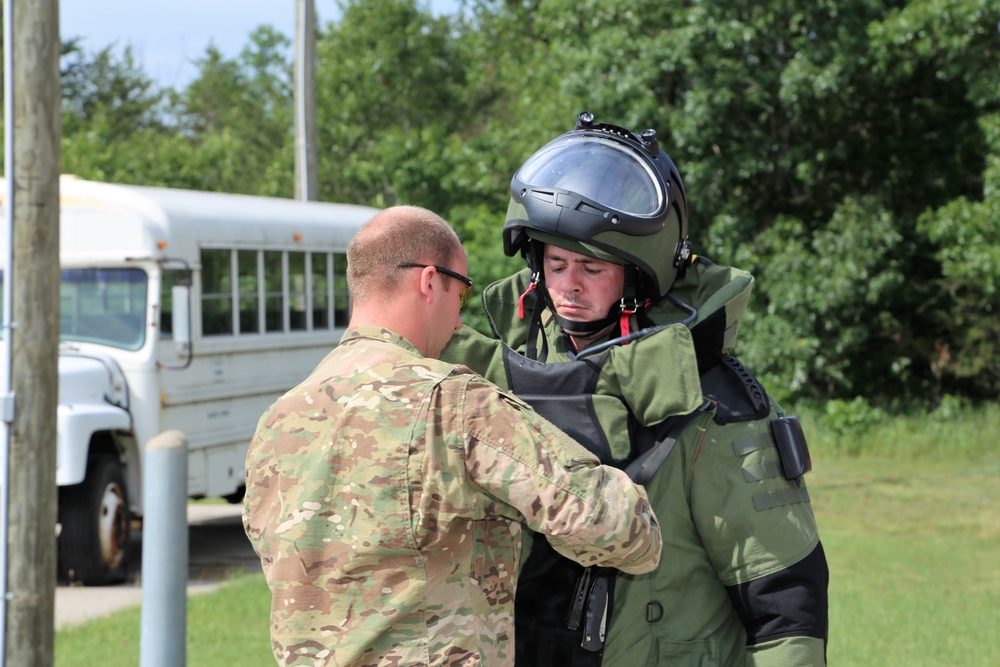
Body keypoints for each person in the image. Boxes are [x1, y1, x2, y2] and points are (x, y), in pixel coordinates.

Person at [441, 113, 829, 666]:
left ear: (636, 277)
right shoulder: (503, 376)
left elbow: (785, 599)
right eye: (556, 263)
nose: (569, 285)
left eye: (592, 268)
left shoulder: (713, 403)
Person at [242, 205, 664, 667]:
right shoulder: (456, 405)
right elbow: (618, 528)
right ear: (428, 281)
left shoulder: (276, 421)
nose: (460, 322)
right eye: (460, 294)